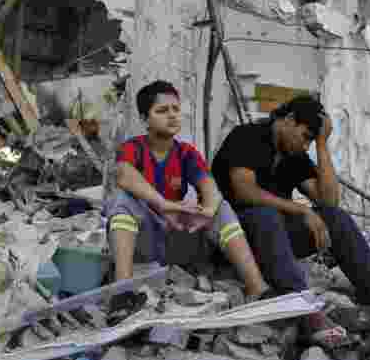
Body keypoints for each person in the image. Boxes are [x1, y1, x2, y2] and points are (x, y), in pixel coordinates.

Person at [211, 96, 370, 348]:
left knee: (335, 218)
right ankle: (303, 309)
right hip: (235, 239)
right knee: (265, 214)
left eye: (311, 140)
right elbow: (245, 191)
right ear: (289, 120)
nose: (306, 145)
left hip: (275, 242)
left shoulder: (293, 154)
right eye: (306, 137)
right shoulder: (246, 136)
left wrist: (322, 145)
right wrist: (301, 210)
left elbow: (329, 201)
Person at [104, 80, 270, 322]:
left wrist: (207, 211)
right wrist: (163, 204)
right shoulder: (133, 148)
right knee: (122, 200)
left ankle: (258, 288)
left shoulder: (186, 153)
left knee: (220, 207)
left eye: (175, 109)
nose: (172, 115)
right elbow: (123, 174)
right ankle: (122, 293)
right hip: (144, 242)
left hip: (177, 240)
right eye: (162, 110)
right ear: (144, 119)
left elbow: (209, 187)